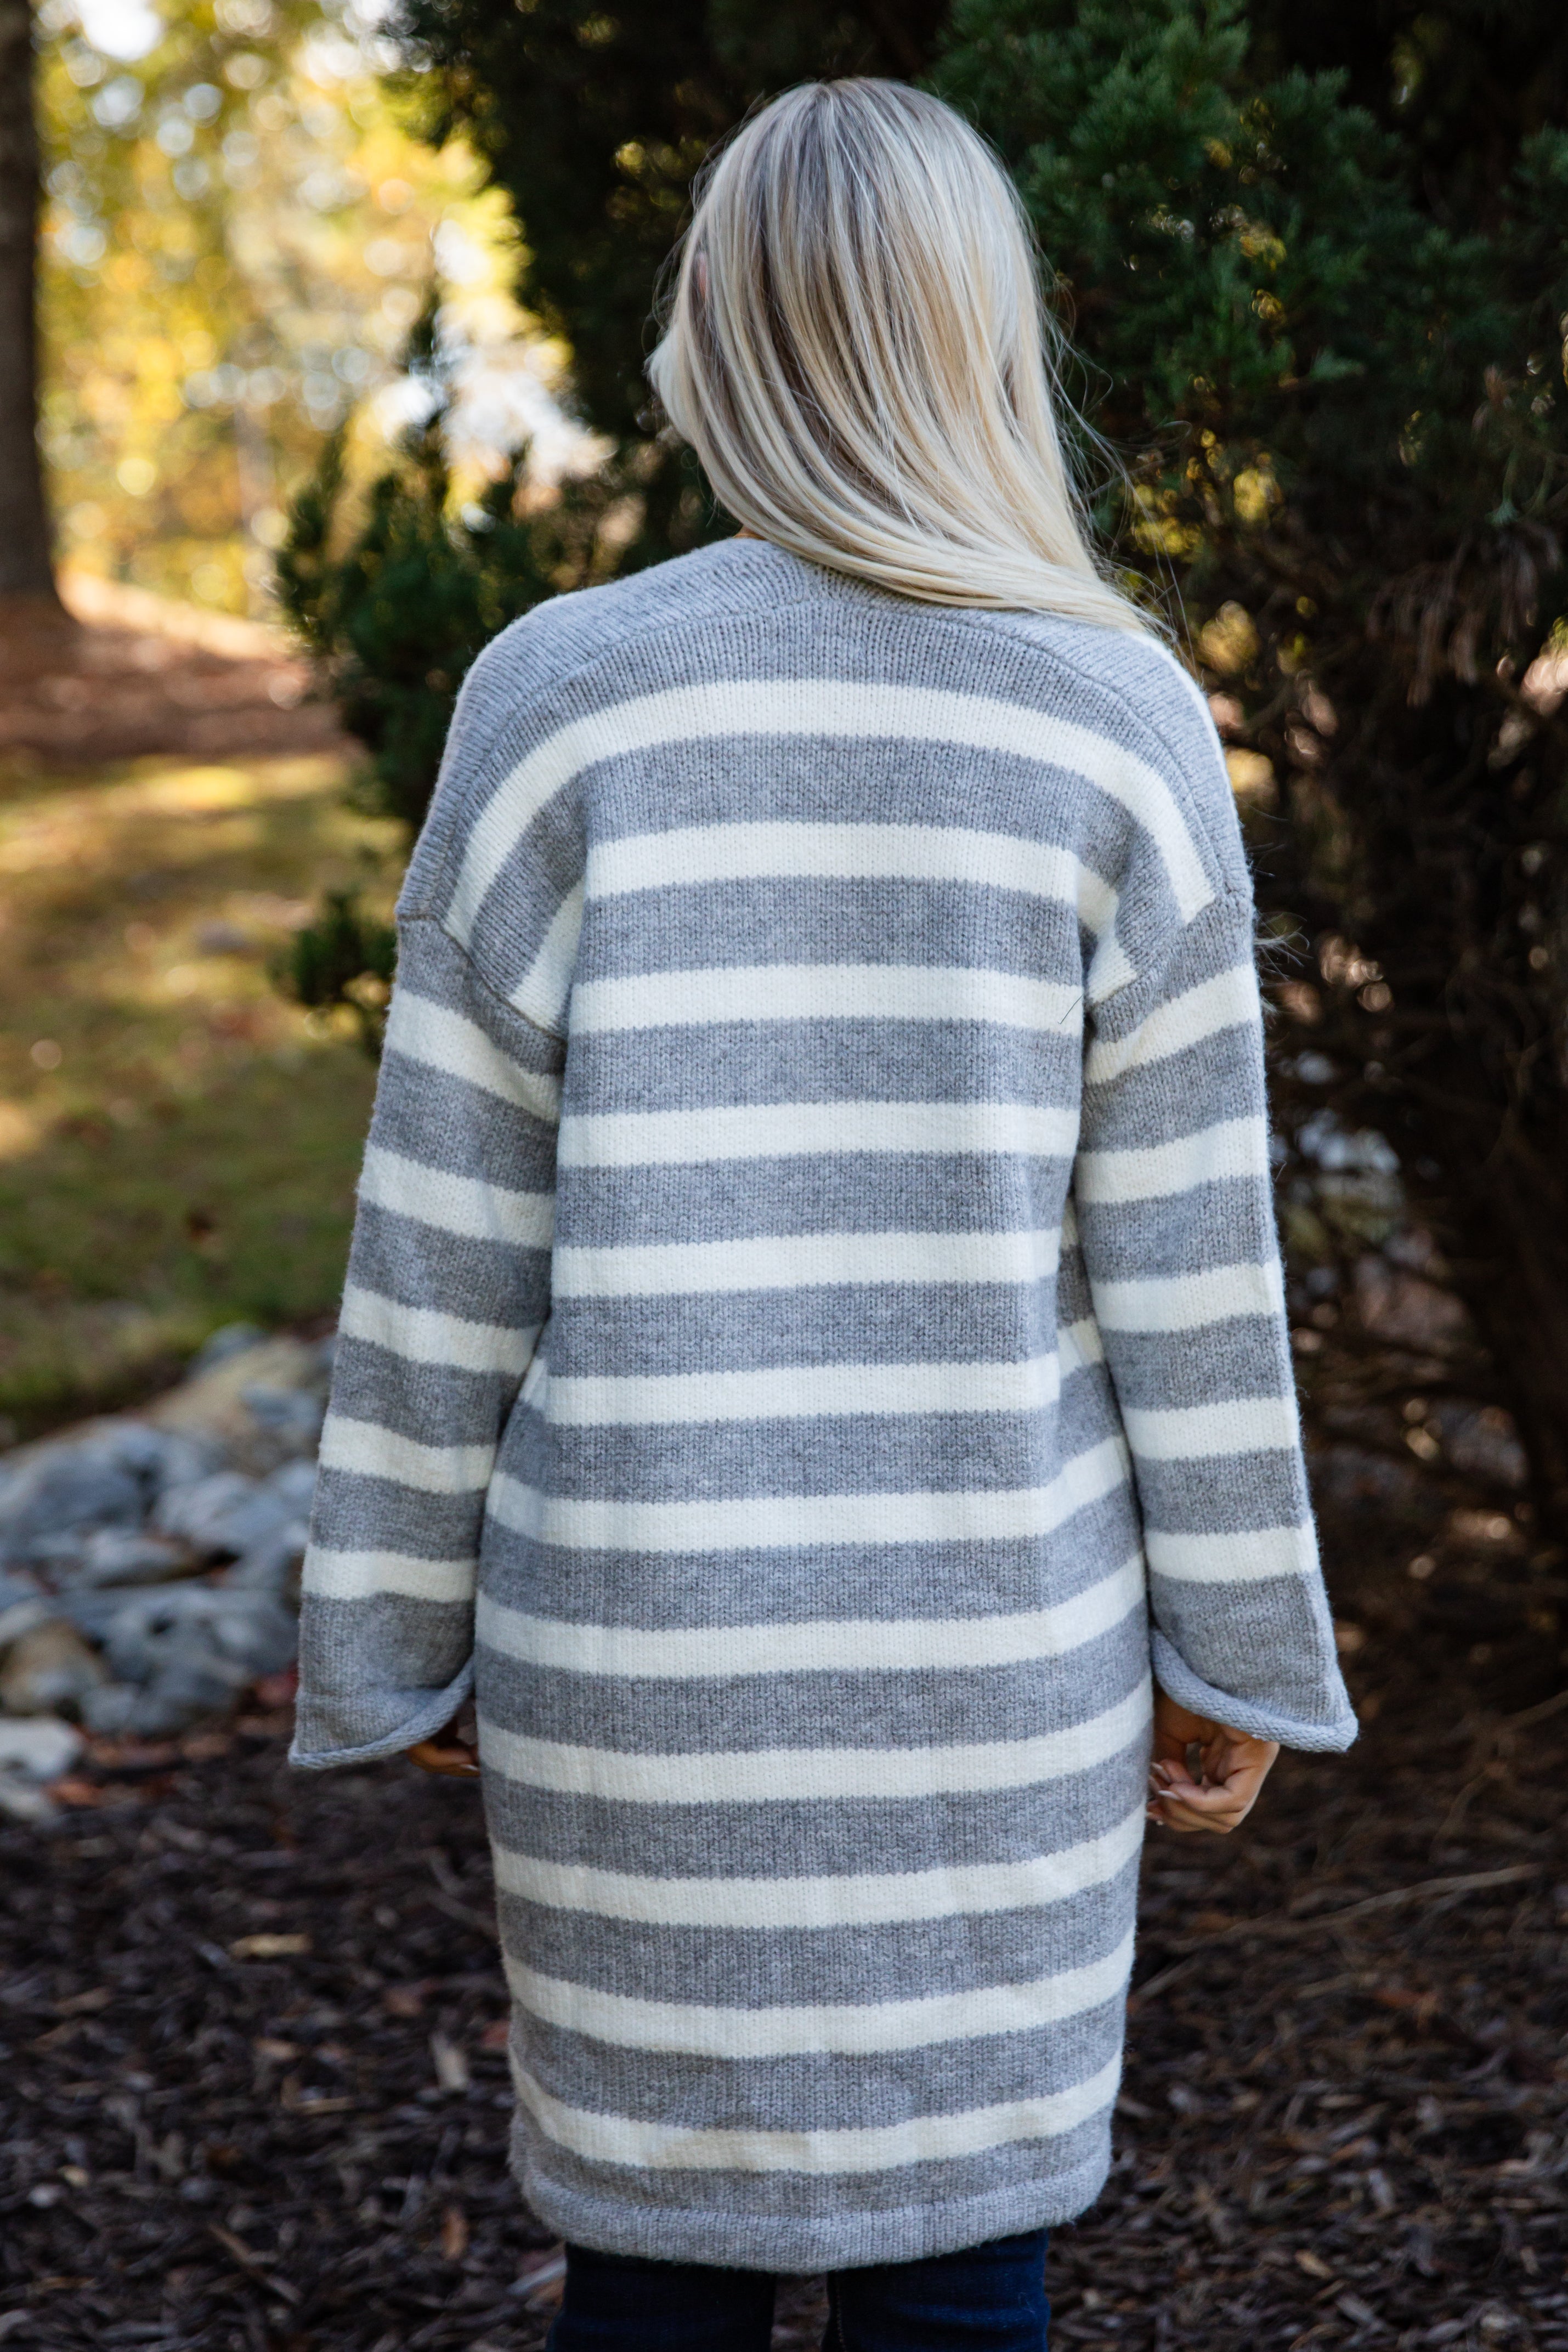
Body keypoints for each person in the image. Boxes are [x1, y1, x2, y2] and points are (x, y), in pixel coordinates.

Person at [290, 76, 1355, 2351]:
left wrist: (394, 1628)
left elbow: (437, 1241)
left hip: (632, 1671)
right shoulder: (1116, 723)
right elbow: (1191, 1271)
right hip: (996, 1674)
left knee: (649, 2282)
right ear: (987, 336)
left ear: (708, 337)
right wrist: (1237, 1647)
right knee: (967, 2268)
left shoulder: (557, 704)